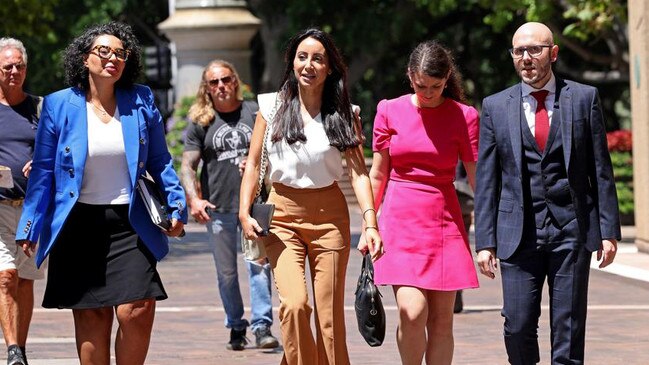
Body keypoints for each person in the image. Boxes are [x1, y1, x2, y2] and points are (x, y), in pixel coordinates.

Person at [14, 22, 187, 365]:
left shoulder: (141, 100)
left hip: (130, 221)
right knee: (93, 317)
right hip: (77, 223)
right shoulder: (59, 104)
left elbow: (159, 160)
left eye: (121, 53)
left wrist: (177, 204)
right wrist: (30, 224)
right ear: (84, 59)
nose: (113, 58)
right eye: (103, 51)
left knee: (137, 308)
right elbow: (44, 169)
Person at [474, 22, 621, 365]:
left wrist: (609, 230)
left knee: (568, 329)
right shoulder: (496, 106)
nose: (526, 58)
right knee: (517, 325)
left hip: (572, 230)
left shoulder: (584, 99)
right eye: (518, 51)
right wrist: (485, 241)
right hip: (517, 233)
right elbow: (487, 178)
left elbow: (600, 169)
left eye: (534, 50)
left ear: (553, 53)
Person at [239, 28, 382, 365]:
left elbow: (359, 173)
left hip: (330, 216)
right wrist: (244, 212)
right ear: (292, 63)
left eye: (318, 58)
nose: (309, 64)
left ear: (330, 67)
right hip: (282, 214)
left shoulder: (346, 113)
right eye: (302, 57)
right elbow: (254, 163)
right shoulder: (270, 106)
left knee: (329, 319)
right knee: (295, 304)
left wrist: (371, 223)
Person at [368, 40, 479, 365]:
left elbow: (478, 178)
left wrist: (492, 228)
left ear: (447, 79)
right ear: (410, 76)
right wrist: (369, 222)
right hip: (400, 221)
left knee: (442, 321)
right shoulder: (389, 109)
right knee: (412, 311)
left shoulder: (464, 116)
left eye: (436, 86)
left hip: (444, 223)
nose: (428, 92)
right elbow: (378, 173)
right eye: (421, 85)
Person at [181, 59, 278, 351]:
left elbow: (276, 150)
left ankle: (262, 327)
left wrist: (258, 161)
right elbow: (188, 165)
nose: (221, 86)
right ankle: (236, 326)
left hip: (253, 206)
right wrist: (193, 198)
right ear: (206, 88)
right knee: (226, 272)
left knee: (259, 265)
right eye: (214, 82)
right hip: (219, 208)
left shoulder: (254, 112)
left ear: (235, 81)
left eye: (226, 79)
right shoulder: (201, 121)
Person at [0, 37, 44, 365]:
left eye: (20, 66)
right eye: (7, 67)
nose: (14, 71)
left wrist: (43, 162)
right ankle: (12, 347)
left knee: (26, 278)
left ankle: (22, 349)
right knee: (6, 276)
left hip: (31, 208)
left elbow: (57, 149)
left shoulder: (40, 108)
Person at [453, 163, 474, 314]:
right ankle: (457, 290)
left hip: (457, 197)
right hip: (464, 200)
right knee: (459, 247)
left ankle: (456, 290)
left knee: (457, 248)